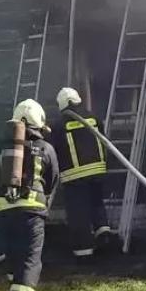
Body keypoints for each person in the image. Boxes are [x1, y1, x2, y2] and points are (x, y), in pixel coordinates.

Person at [0, 98, 59, 291]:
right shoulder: (45, 148)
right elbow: (52, 180)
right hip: (30, 212)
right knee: (30, 261)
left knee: (14, 258)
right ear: (39, 124)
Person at [52, 87, 120, 260]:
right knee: (96, 203)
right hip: (98, 171)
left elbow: (53, 150)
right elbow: (103, 140)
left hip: (74, 176)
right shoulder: (94, 118)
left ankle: (84, 253)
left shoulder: (59, 125)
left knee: (78, 213)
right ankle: (103, 232)